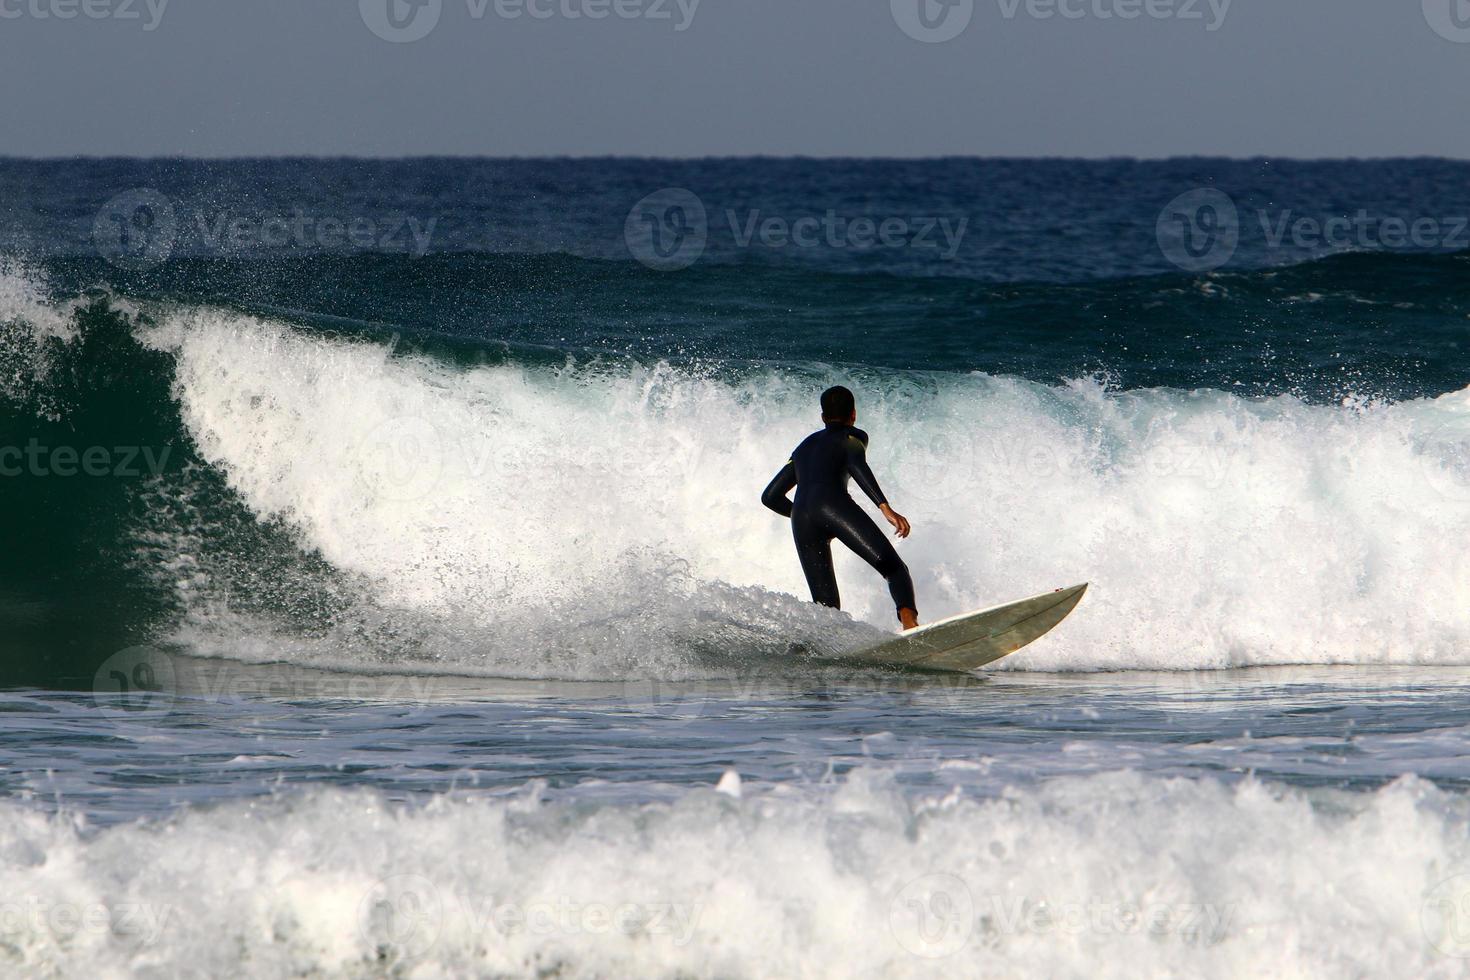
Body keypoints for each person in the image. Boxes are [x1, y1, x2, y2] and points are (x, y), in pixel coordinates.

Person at [761, 386, 919, 630]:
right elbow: (856, 463)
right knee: (894, 568)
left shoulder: (803, 447)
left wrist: (806, 517)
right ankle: (910, 625)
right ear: (853, 414)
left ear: (823, 417)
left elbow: (770, 496)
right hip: (833, 505)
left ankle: (818, 649)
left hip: (801, 517)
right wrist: (884, 507)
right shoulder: (854, 436)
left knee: (826, 607)